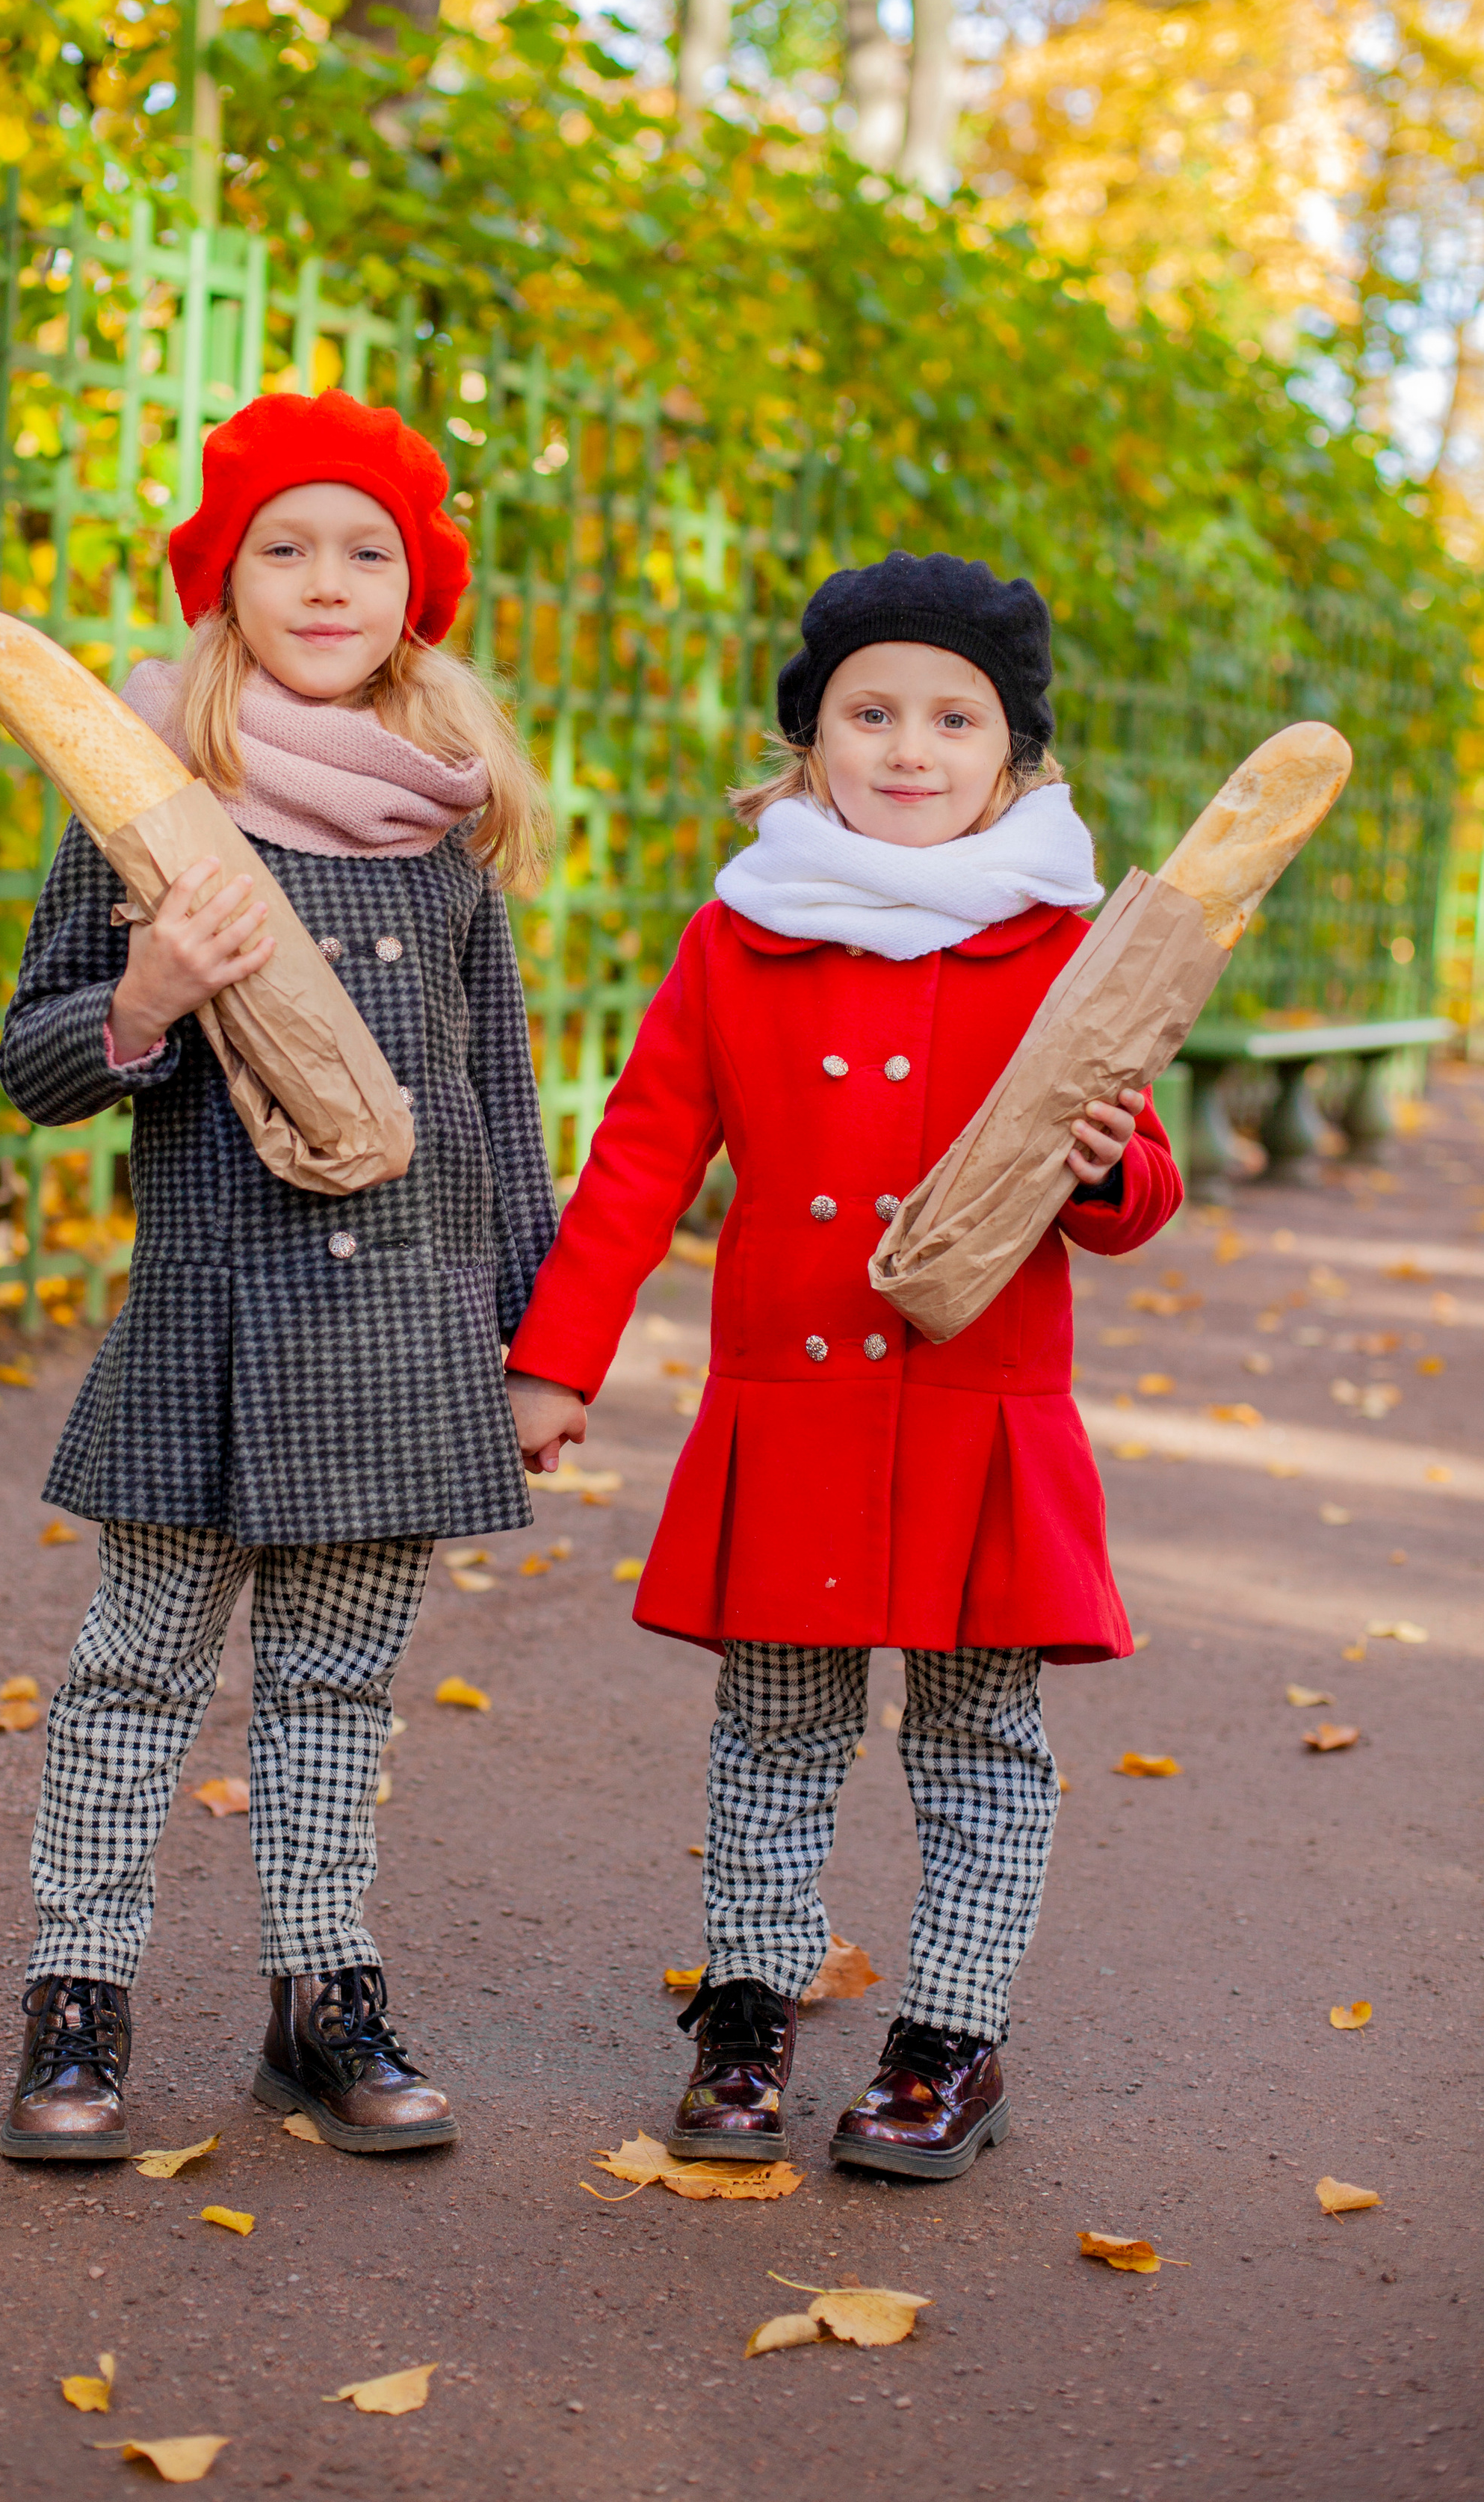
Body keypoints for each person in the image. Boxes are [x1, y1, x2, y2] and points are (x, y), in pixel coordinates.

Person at [504, 552, 1182, 2181]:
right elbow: (637, 1159)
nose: (906, 747)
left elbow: (1139, 1187)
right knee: (775, 1735)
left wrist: (1097, 1166)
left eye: (952, 718)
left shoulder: (1061, 945)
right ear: (808, 743)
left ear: (1011, 757)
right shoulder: (739, 938)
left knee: (975, 1744)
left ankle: (949, 2031)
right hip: (791, 1411)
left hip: (976, 1415)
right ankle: (746, 2001)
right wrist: (556, 1361)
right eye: (867, 713)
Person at [0, 388, 556, 2161]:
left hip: (404, 1324)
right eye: (283, 547)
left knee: (333, 1687)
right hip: (211, 1322)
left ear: (419, 591)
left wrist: (532, 1342)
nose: (327, 580)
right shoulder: (142, 804)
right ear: (222, 584)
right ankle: (76, 2000)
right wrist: (145, 996)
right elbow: (30, 1060)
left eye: (367, 550)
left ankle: (322, 1999)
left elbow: (501, 1100)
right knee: (135, 1670)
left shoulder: (446, 831)